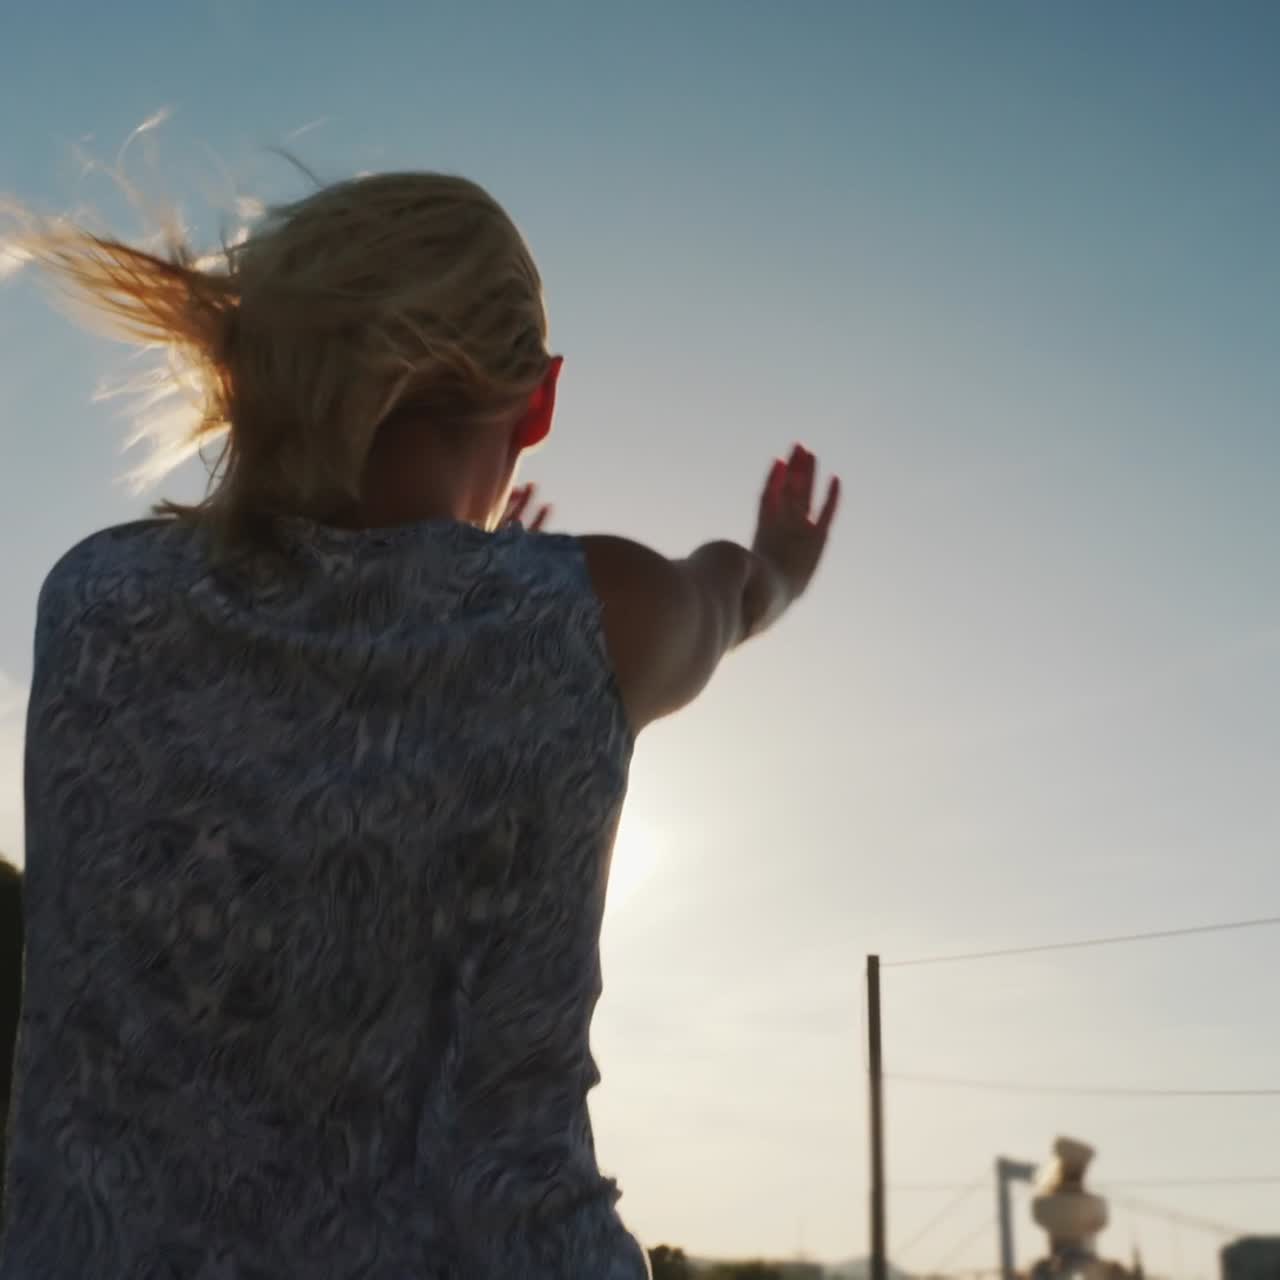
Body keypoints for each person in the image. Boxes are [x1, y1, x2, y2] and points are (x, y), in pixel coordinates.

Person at [0, 171, 838, 1278]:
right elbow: (723, 591)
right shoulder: (598, 616)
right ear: (536, 403)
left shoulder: (92, 597)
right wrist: (776, 565)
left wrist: (501, 586)